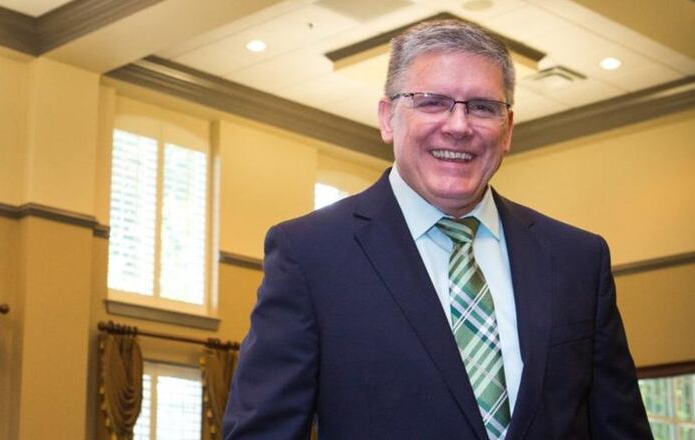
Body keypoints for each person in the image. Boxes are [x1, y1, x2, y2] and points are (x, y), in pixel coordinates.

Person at [222, 19, 652, 440]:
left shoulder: (577, 260)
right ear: (388, 118)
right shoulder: (311, 254)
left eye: (482, 107)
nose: (459, 126)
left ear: (507, 130)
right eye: (431, 102)